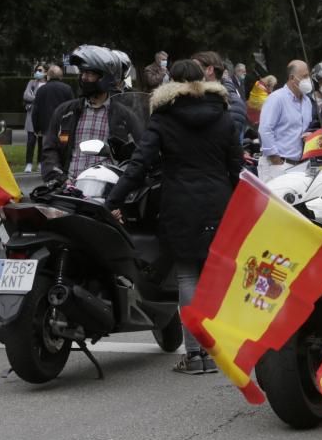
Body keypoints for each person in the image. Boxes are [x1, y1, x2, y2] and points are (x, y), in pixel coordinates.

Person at [106, 59, 242, 374]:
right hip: (219, 203)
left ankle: (195, 355)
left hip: (179, 204)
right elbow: (237, 166)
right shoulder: (222, 116)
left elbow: (139, 164)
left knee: (187, 277)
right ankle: (220, 352)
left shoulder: (164, 118)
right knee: (215, 278)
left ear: (172, 81)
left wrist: (112, 199)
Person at [40, 45, 145, 183]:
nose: (84, 78)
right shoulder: (65, 112)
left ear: (105, 77)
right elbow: (50, 149)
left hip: (106, 191)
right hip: (69, 190)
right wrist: (59, 178)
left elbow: (138, 154)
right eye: (82, 73)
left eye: (90, 74)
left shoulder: (124, 116)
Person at [258, 60, 313, 183]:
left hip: (299, 166)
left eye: (308, 76)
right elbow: (265, 129)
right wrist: (276, 159)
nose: (308, 79)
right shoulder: (276, 98)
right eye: (304, 76)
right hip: (278, 165)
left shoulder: (307, 102)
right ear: (292, 78)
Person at [193, 51, 247, 135]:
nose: (189, 71)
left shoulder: (233, 103)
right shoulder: (194, 95)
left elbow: (227, 140)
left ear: (210, 70)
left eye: (194, 68)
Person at [31, 65, 75, 141]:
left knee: (48, 150)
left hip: (46, 130)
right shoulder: (67, 89)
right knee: (63, 150)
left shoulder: (41, 90)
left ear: (48, 76)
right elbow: (73, 109)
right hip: (64, 129)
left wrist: (36, 129)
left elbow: (35, 111)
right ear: (61, 76)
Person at [22, 64, 47, 172]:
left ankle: (40, 163)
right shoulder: (31, 83)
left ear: (46, 72)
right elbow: (26, 95)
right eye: (37, 70)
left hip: (43, 116)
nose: (37, 72)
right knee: (31, 140)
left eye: (40, 70)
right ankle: (28, 163)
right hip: (31, 115)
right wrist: (38, 99)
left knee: (42, 141)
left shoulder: (48, 84)